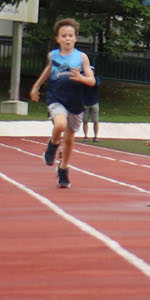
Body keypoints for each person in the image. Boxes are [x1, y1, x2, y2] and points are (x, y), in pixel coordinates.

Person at [28, 18, 95, 189]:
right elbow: (48, 70)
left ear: (75, 38)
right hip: (56, 98)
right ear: (57, 38)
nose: (67, 38)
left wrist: (81, 78)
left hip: (75, 101)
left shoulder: (81, 57)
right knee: (60, 124)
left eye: (70, 35)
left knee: (70, 139)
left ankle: (63, 169)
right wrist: (36, 86)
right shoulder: (53, 55)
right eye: (63, 36)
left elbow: (92, 80)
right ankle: (52, 145)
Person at [81, 65, 101, 143]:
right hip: (85, 103)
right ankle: (85, 136)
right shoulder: (84, 80)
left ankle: (96, 136)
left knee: (96, 121)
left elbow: (97, 84)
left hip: (94, 102)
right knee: (85, 121)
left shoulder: (96, 79)